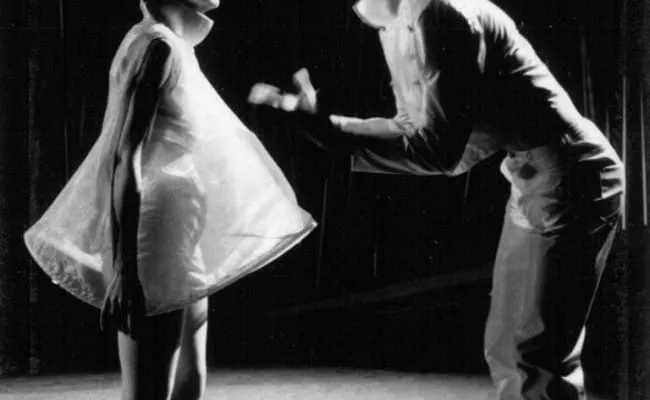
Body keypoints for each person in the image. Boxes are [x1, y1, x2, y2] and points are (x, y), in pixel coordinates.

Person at [248, 0, 625, 399]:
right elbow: (415, 129)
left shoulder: (443, 13)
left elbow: (440, 152)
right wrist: (326, 127)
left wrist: (327, 133)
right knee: (507, 348)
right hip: (535, 178)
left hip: (570, 177)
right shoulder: (395, 22)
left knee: (532, 360)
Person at [24, 0, 316, 399]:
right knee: (149, 391)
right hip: (155, 234)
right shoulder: (155, 46)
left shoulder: (172, 44)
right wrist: (125, 268)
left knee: (190, 381)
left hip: (178, 231)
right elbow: (124, 154)